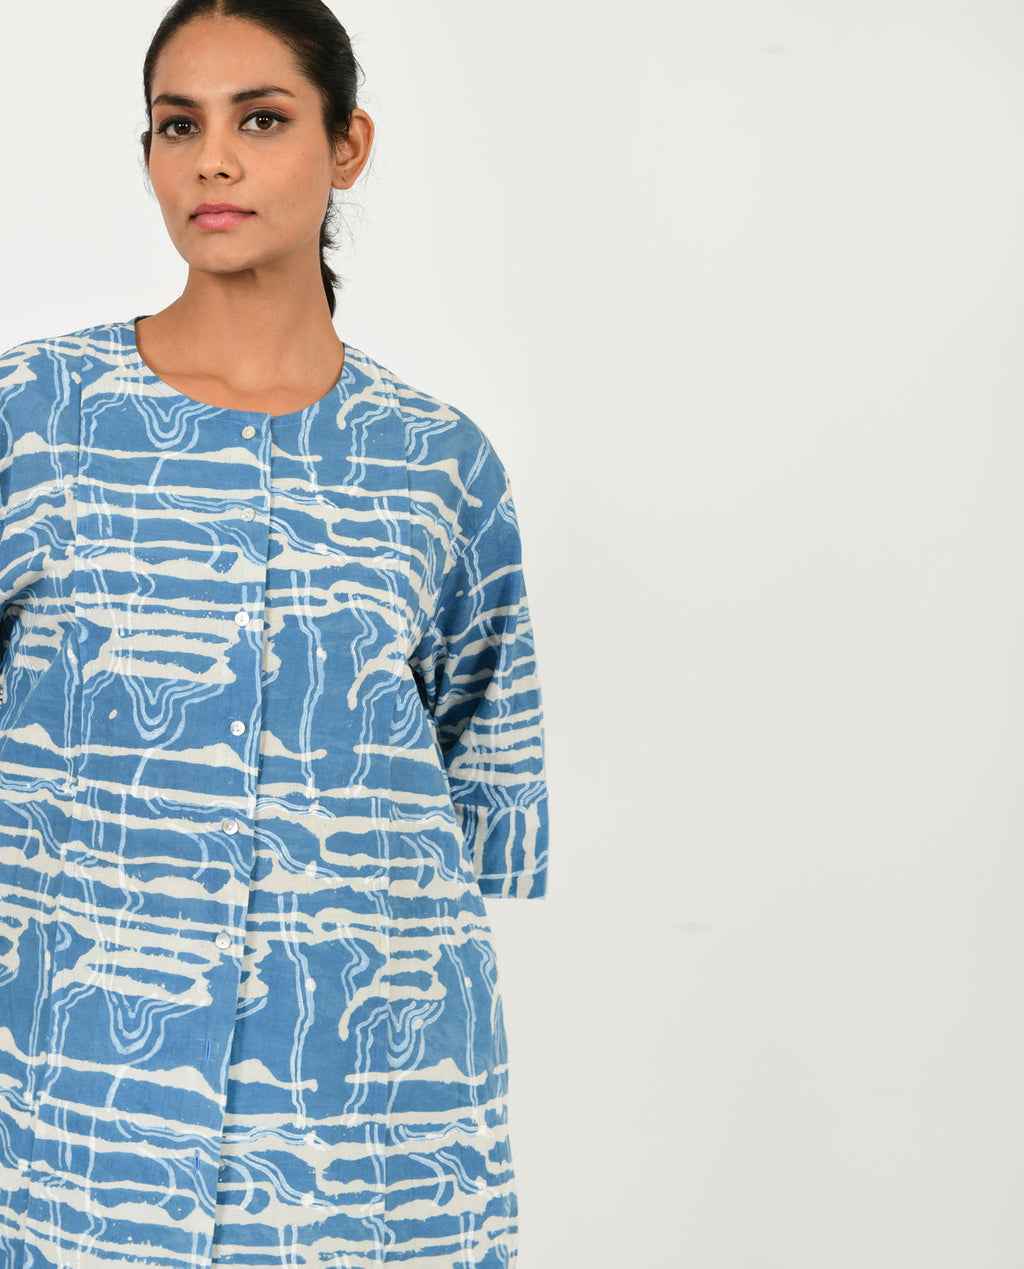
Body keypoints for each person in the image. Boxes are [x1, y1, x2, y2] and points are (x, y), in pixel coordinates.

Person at [0, 2, 549, 1265]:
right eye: (177, 126)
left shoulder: (440, 463)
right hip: (76, 1107)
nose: (213, 161)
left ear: (347, 145)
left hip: (367, 1122)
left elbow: (477, 788)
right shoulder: (35, 419)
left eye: (261, 121)